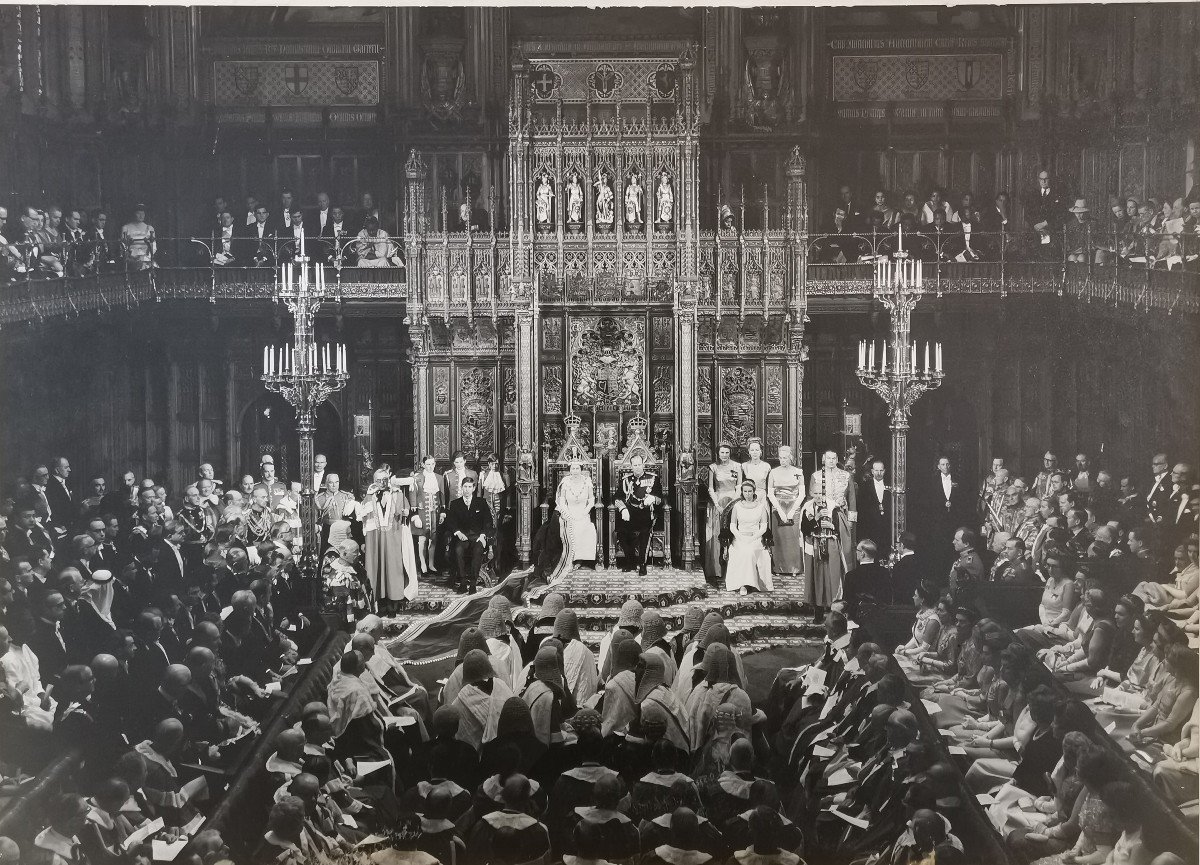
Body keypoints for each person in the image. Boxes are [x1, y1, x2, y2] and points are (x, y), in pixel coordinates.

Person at [802, 448, 857, 619]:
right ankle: (819, 604)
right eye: (828, 458)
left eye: (834, 458)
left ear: (837, 459)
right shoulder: (816, 476)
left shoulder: (846, 475)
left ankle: (838, 600)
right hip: (819, 526)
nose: (831, 461)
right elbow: (812, 498)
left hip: (839, 518)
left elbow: (852, 500)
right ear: (824, 460)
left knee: (840, 560)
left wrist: (851, 522)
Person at [723, 480, 773, 596]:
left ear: (754, 492)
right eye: (745, 491)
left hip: (756, 538)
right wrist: (741, 537)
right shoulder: (737, 506)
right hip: (739, 537)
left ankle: (748, 583)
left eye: (750, 491)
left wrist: (752, 538)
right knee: (743, 550)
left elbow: (764, 527)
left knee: (749, 551)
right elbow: (732, 526)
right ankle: (742, 584)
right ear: (742, 492)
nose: (747, 494)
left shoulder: (761, 507)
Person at [614, 455, 663, 576]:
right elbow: (616, 498)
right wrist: (622, 508)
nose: (637, 467)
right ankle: (630, 562)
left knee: (644, 532)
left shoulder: (653, 479)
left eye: (639, 464)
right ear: (631, 466)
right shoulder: (626, 480)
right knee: (621, 531)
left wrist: (653, 498)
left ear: (643, 465)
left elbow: (661, 499)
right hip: (630, 514)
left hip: (646, 514)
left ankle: (642, 564)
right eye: (635, 465)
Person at [445, 476, 494, 594]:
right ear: (461, 488)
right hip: (463, 537)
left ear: (473, 488)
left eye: (469, 487)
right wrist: (457, 532)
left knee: (477, 551)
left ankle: (473, 584)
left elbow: (488, 521)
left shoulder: (481, 502)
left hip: (478, 537)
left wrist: (483, 535)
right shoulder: (455, 503)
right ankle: (462, 582)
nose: (467, 489)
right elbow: (451, 521)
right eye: (465, 487)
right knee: (458, 550)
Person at [705, 443, 743, 584]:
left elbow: (739, 486)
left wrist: (733, 502)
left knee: (734, 534)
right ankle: (717, 570)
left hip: (734, 501)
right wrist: (717, 504)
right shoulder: (713, 467)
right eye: (722, 452)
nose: (725, 455)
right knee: (717, 535)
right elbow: (710, 488)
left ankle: (735, 569)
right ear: (718, 453)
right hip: (718, 502)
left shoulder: (737, 466)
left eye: (727, 452)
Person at [766, 446, 805, 580]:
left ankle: (794, 567)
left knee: (793, 538)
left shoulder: (798, 472)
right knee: (779, 538)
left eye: (786, 458)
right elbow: (770, 493)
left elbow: (802, 493)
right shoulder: (773, 472)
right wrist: (780, 511)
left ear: (791, 458)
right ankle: (778, 567)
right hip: (778, 506)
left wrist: (792, 511)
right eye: (781, 458)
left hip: (794, 505)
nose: (783, 460)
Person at [555, 460, 597, 567]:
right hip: (569, 512)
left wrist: (585, 512)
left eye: (577, 468)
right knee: (569, 528)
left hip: (583, 513)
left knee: (585, 528)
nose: (575, 471)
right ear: (570, 470)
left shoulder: (587, 481)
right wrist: (566, 512)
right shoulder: (566, 482)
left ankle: (579, 559)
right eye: (573, 469)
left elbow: (592, 500)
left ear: (581, 470)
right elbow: (562, 500)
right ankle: (569, 557)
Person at [411, 455, 443, 576]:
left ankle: (431, 564)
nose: (431, 467)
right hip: (421, 512)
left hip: (435, 512)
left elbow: (442, 496)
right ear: (423, 465)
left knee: (433, 539)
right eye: (428, 464)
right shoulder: (416, 477)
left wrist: (443, 512)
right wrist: (415, 516)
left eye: (433, 464)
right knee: (422, 540)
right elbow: (412, 496)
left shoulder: (439, 478)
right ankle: (423, 566)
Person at [741, 438, 770, 503]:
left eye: (757, 450)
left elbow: (769, 487)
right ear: (749, 451)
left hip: (762, 498)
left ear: (760, 451)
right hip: (748, 497)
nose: (754, 452)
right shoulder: (744, 466)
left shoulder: (766, 466)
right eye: (752, 450)